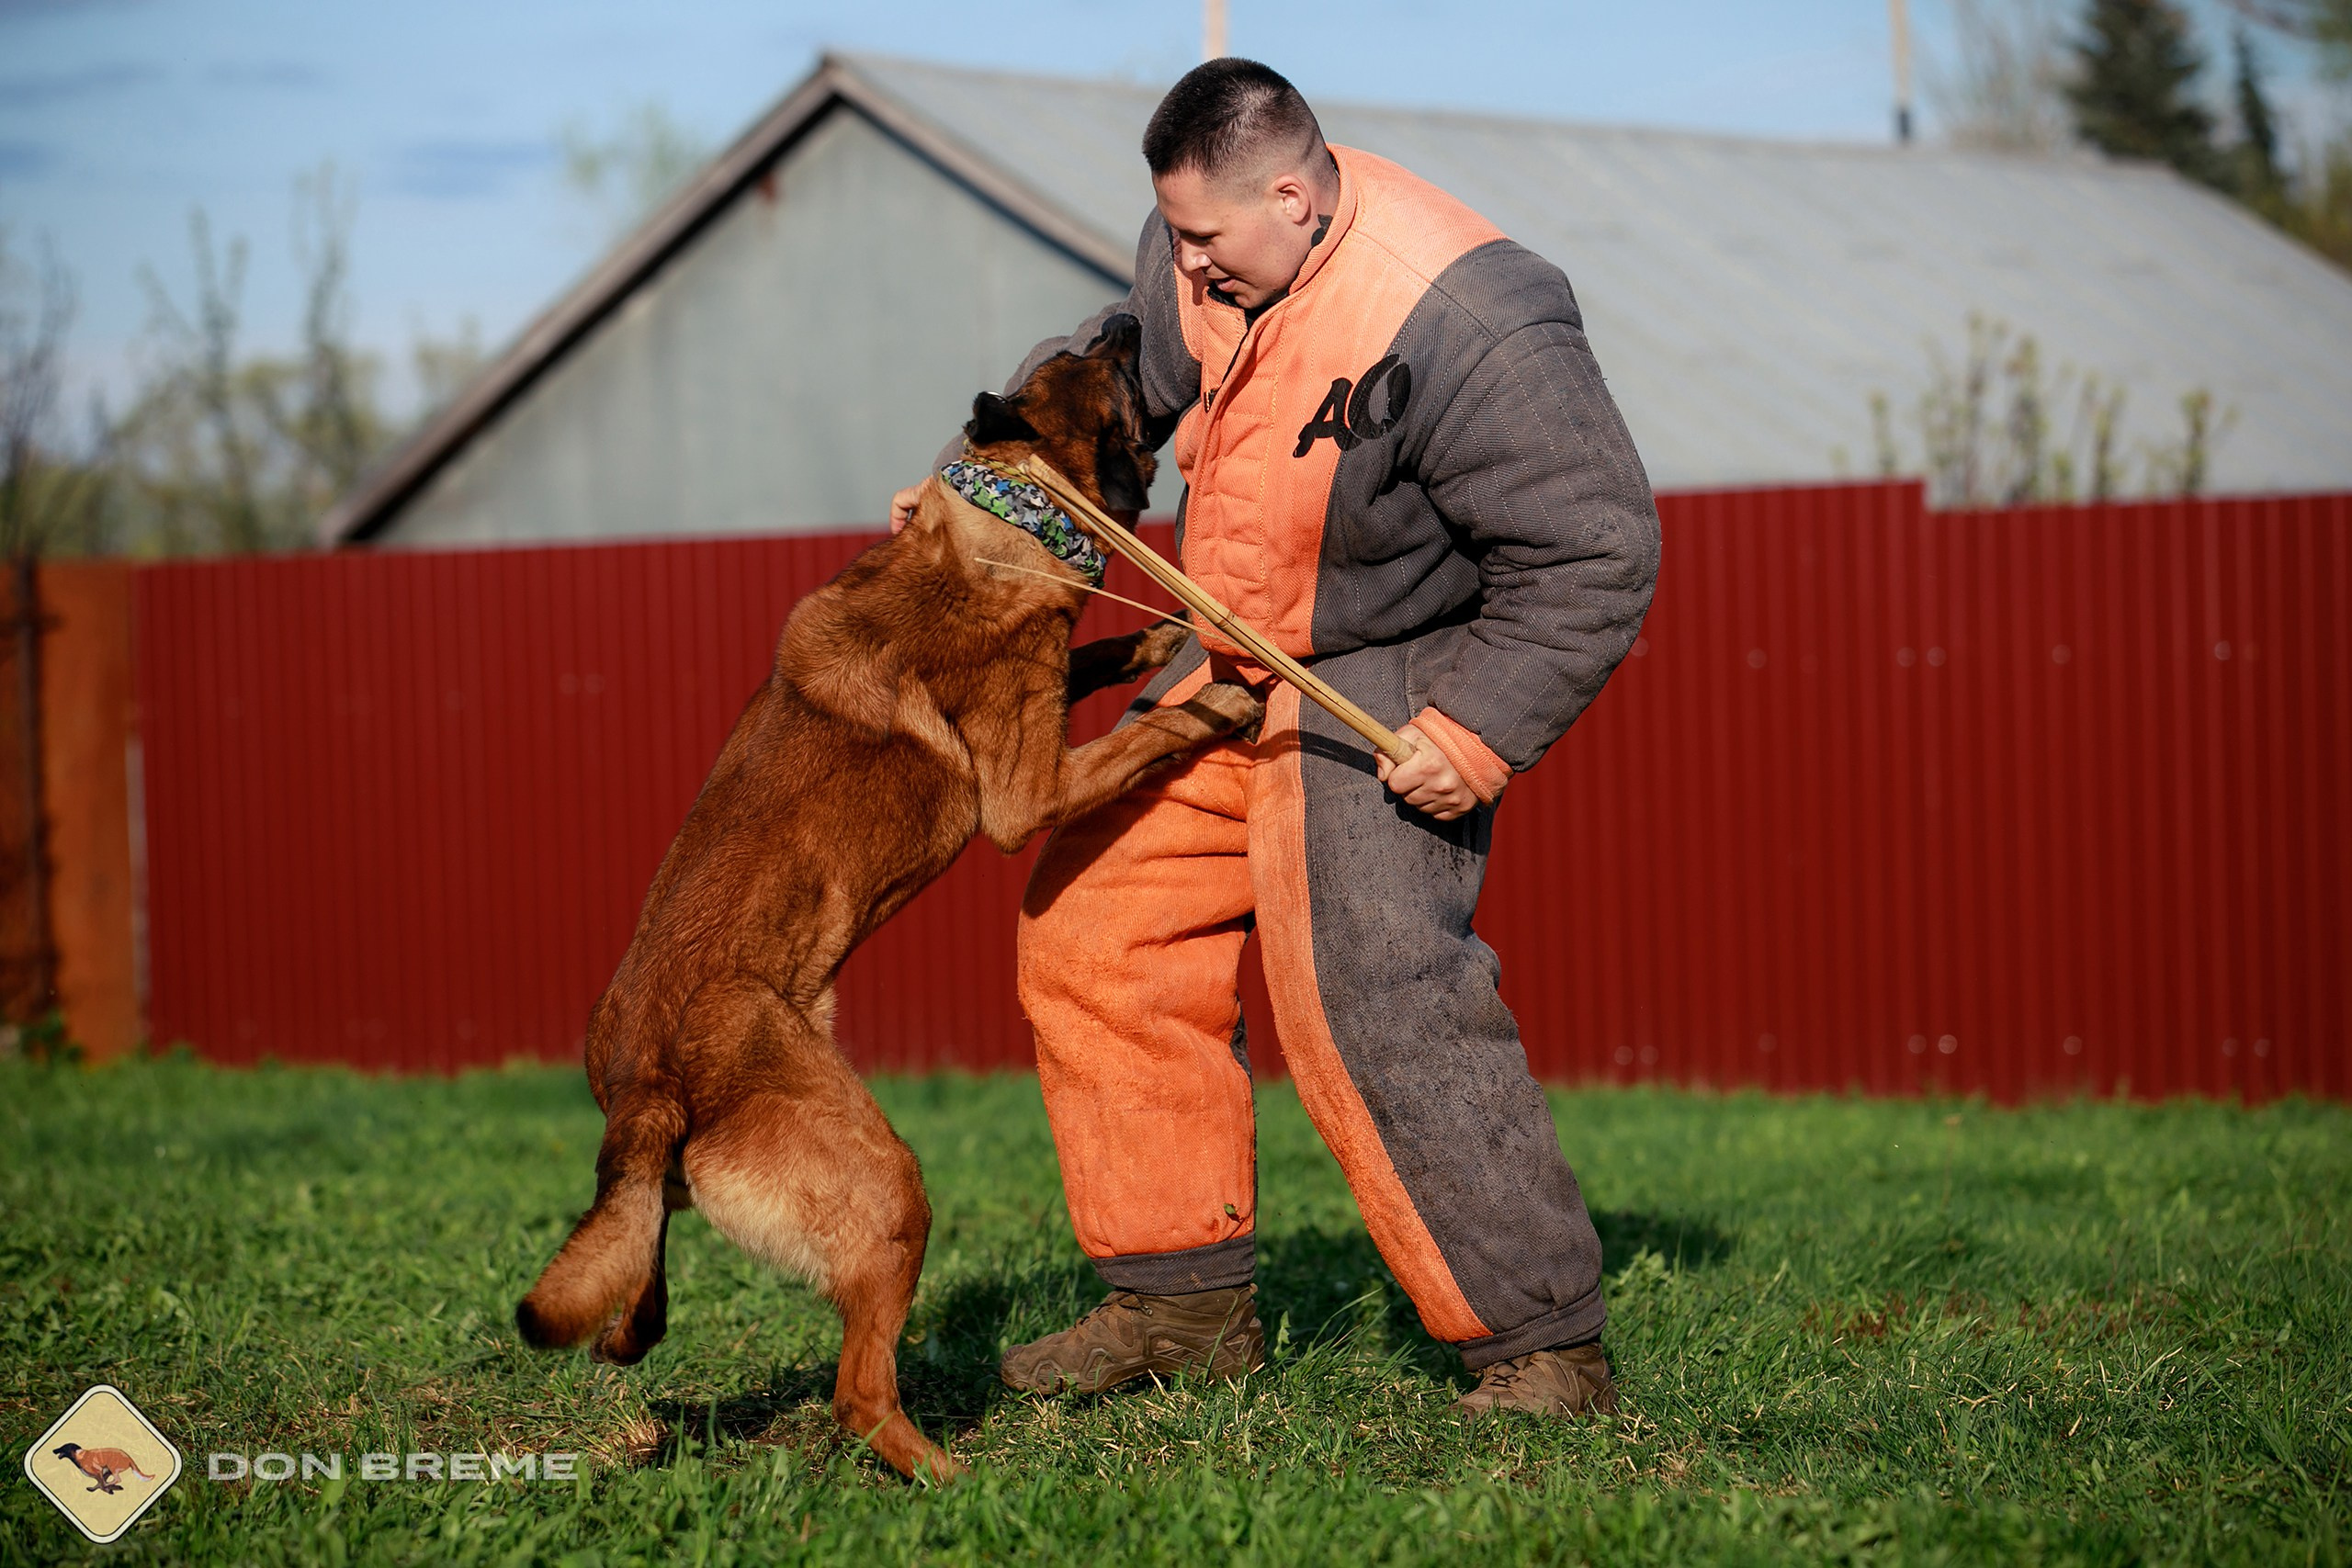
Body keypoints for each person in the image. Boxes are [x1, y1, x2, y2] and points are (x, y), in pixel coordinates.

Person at [890, 59, 1658, 1416]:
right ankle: (1180, 1307)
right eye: (1170, 235)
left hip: (1394, 664)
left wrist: (1474, 734)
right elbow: (1122, 367)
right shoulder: (1206, 251)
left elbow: (1595, 554)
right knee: (1093, 928)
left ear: (1294, 197)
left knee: (1362, 980)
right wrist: (990, 478)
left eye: (1201, 241)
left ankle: (1542, 1345)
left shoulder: (1478, 320)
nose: (1176, 265)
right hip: (1230, 643)